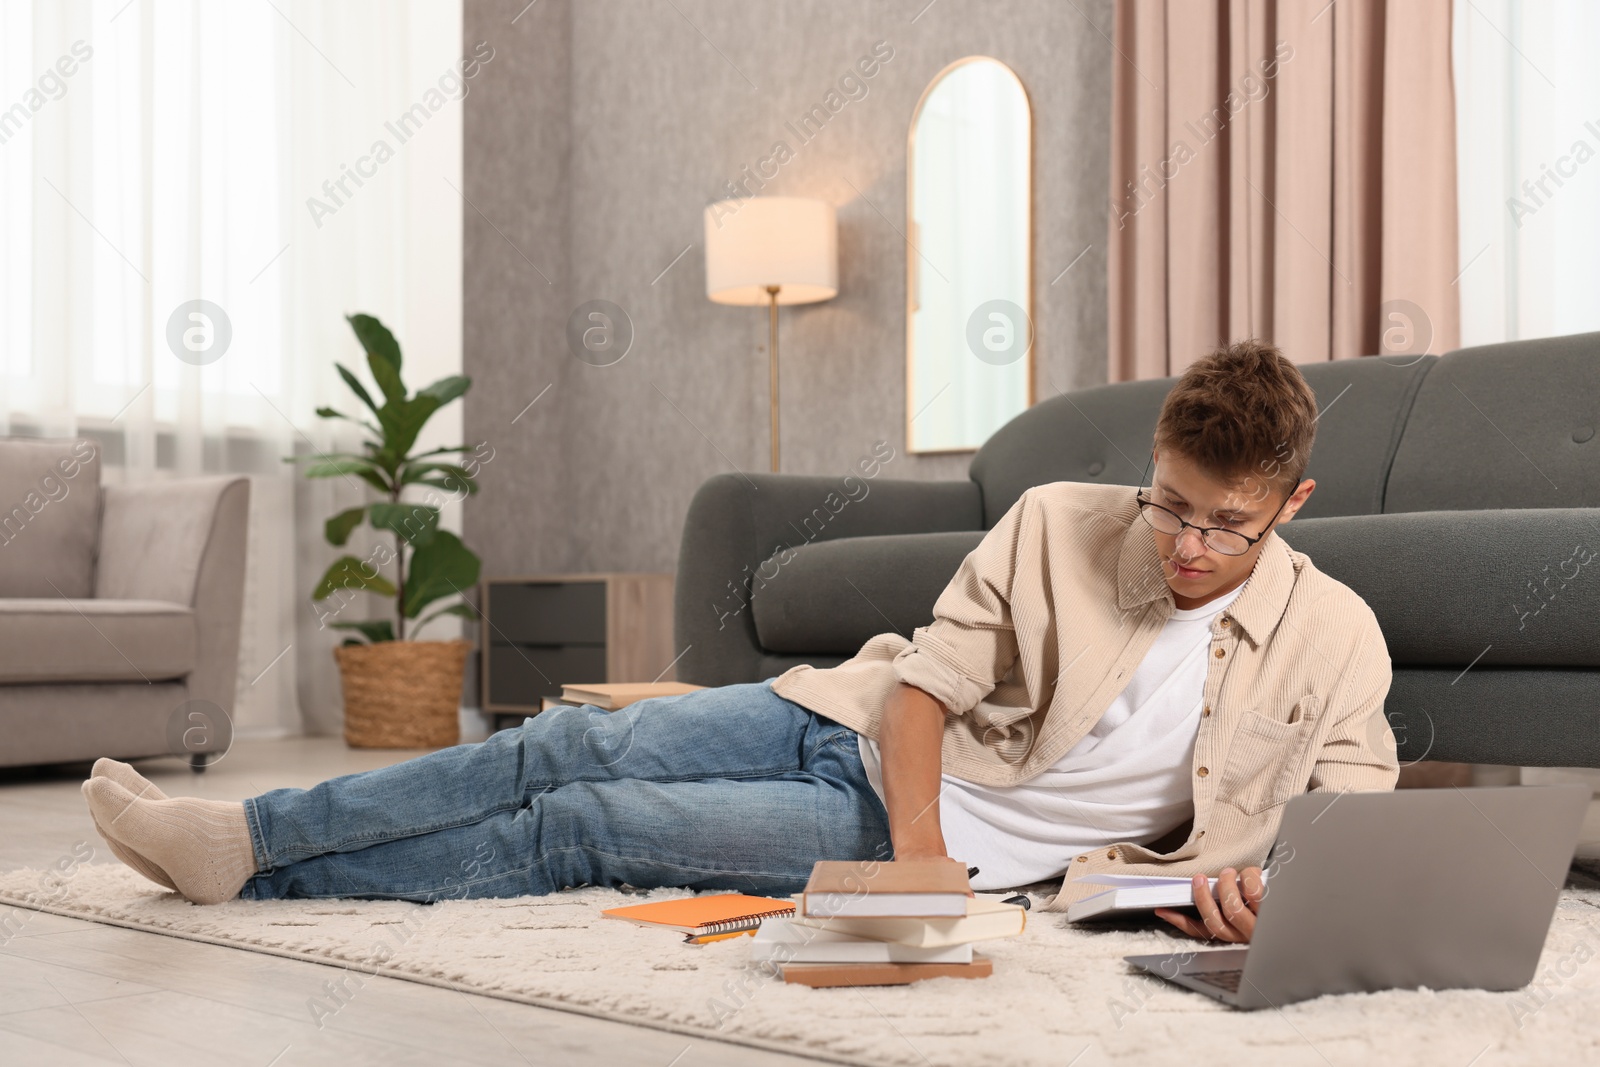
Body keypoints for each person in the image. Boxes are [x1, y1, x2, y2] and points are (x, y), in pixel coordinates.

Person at [83, 339, 1396, 944]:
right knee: (566, 740)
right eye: (1169, 503)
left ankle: (255, 883)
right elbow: (928, 686)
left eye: (1224, 526)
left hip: (902, 846)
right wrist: (929, 865)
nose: (1184, 546)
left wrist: (1260, 902)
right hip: (852, 734)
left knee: (587, 822)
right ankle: (253, 833)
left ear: (1291, 504)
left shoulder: (1335, 640)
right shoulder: (1060, 521)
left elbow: (1354, 824)